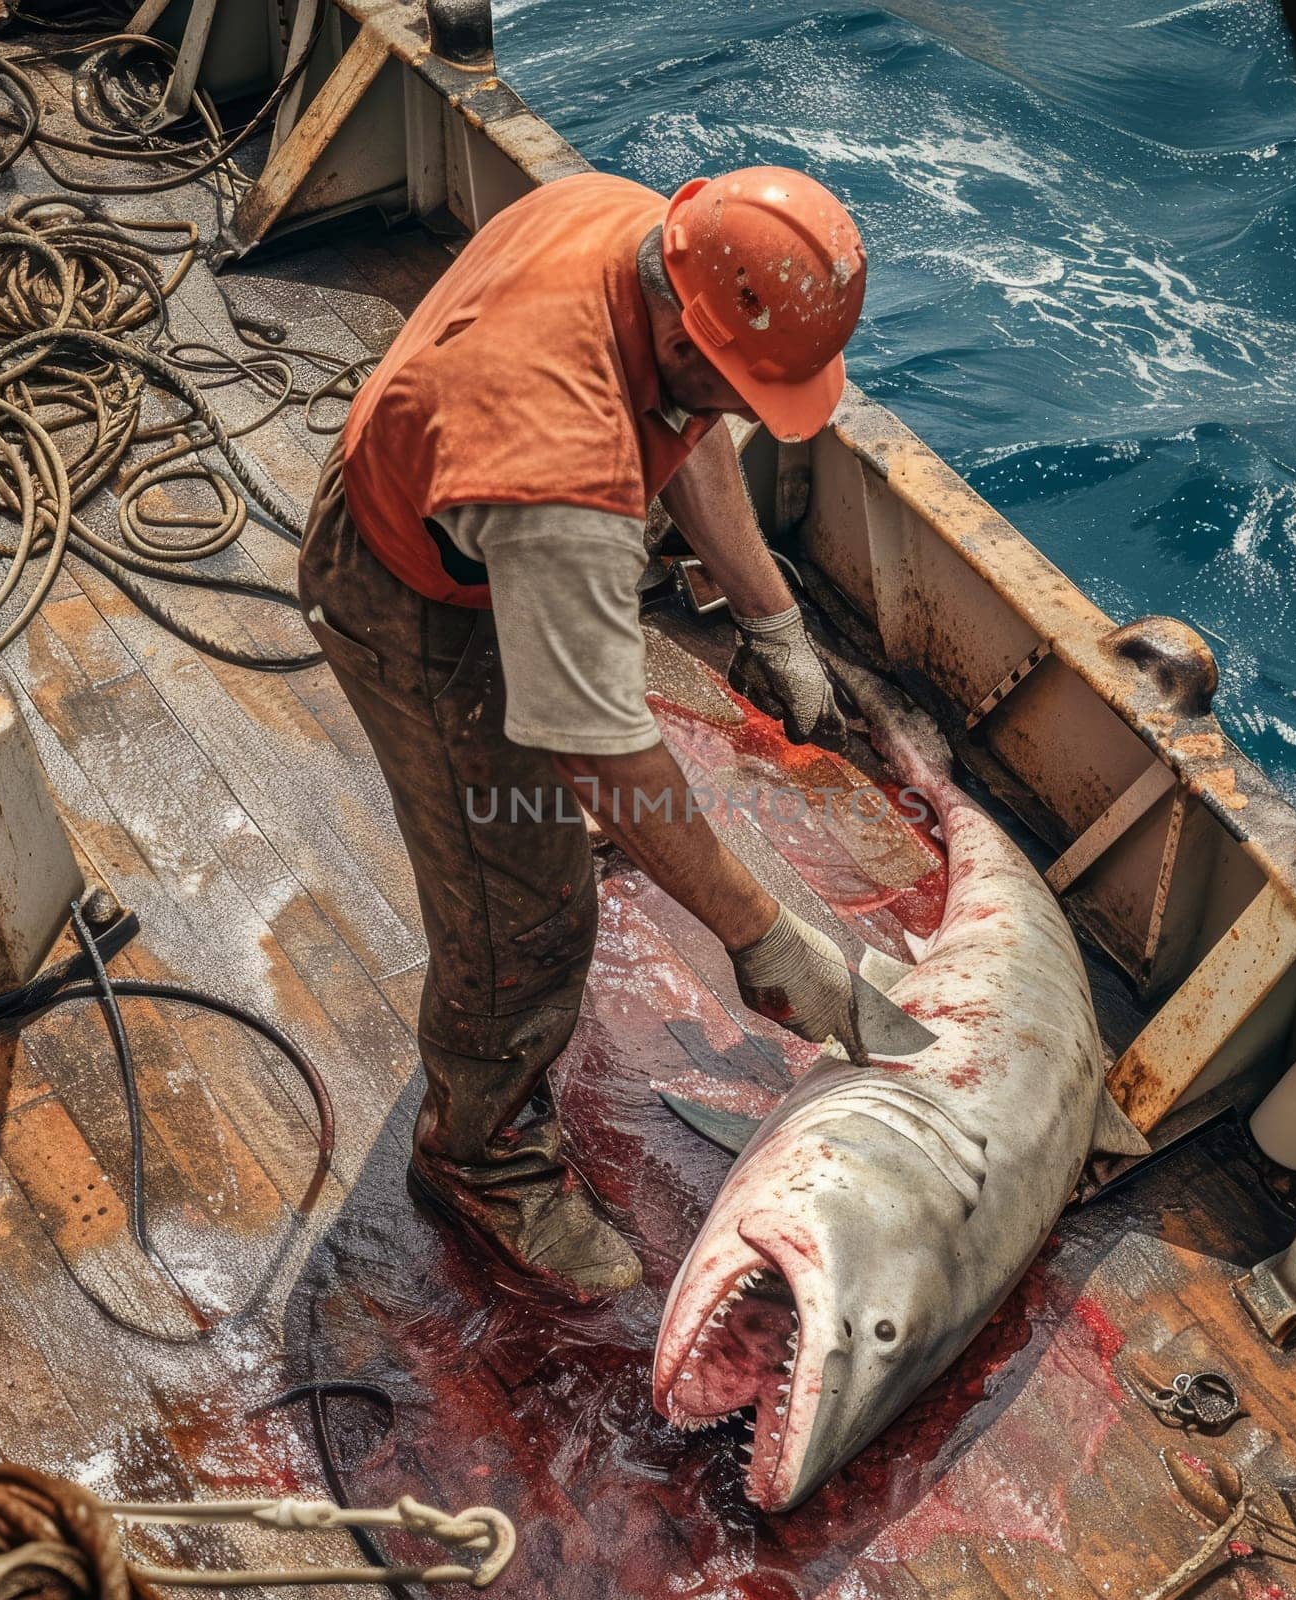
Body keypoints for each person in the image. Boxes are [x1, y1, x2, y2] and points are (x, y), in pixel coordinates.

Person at [298, 165, 869, 1300]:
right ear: (680, 323)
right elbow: (598, 740)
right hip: (415, 606)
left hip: (476, 509)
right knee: (528, 917)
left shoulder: (639, 233)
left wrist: (773, 616)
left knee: (567, 799)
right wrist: (760, 936)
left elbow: (691, 421)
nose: (753, 413)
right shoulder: (560, 458)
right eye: (745, 387)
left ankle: (552, 852)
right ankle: (478, 1160)